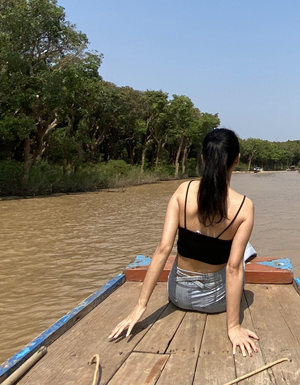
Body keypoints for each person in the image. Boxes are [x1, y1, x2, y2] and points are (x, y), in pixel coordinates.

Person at [108, 128, 259, 357]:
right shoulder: (244, 206)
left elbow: (163, 249)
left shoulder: (183, 191)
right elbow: (233, 268)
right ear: (236, 160)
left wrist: (140, 306)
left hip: (179, 295)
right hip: (217, 301)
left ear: (202, 158)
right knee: (243, 253)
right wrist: (233, 326)